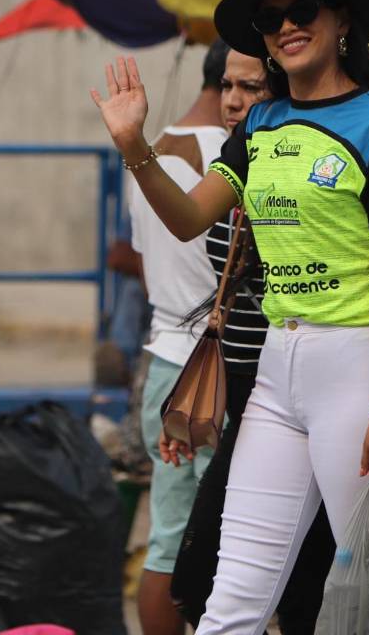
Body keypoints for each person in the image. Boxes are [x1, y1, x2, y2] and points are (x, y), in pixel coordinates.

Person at [91, 0, 369, 634]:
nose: (285, 26)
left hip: (361, 367)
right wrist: (135, 148)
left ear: (343, 22)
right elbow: (189, 218)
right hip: (279, 374)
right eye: (271, 19)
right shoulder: (260, 126)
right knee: (232, 601)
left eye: (302, 9)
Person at [168, 45, 336, 633]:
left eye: (251, 88)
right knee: (201, 582)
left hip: (294, 389)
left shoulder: (294, 175)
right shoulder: (231, 169)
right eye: (228, 87)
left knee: (299, 583)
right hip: (239, 390)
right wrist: (195, 406)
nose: (234, 100)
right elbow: (218, 301)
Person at [128, 39, 231, 635]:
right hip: (210, 373)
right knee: (229, 548)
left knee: (167, 542)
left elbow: (147, 261)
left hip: (163, 363)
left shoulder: (151, 150)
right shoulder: (232, 154)